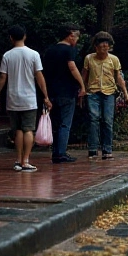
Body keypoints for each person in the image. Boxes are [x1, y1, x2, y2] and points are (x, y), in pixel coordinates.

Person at [0, 25, 52, 172]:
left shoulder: (7, 55)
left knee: (17, 129)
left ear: (11, 38)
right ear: (25, 36)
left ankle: (18, 160)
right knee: (28, 130)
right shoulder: (34, 54)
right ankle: (26, 160)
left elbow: (2, 77)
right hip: (29, 99)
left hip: (13, 98)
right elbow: (39, 76)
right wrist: (45, 96)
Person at [81, 31, 128, 160]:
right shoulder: (89, 59)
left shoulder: (113, 60)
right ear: (96, 46)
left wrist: (125, 93)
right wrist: (82, 91)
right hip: (93, 92)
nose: (104, 48)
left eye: (106, 45)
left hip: (109, 92)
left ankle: (107, 148)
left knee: (108, 120)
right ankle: (93, 148)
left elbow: (118, 77)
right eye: (101, 45)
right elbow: (84, 76)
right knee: (93, 119)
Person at [41, 24, 84, 163]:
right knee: (65, 124)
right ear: (71, 35)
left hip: (51, 91)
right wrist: (82, 85)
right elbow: (72, 68)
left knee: (55, 123)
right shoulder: (69, 50)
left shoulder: (49, 50)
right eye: (77, 37)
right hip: (66, 91)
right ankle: (61, 153)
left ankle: (55, 151)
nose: (76, 40)